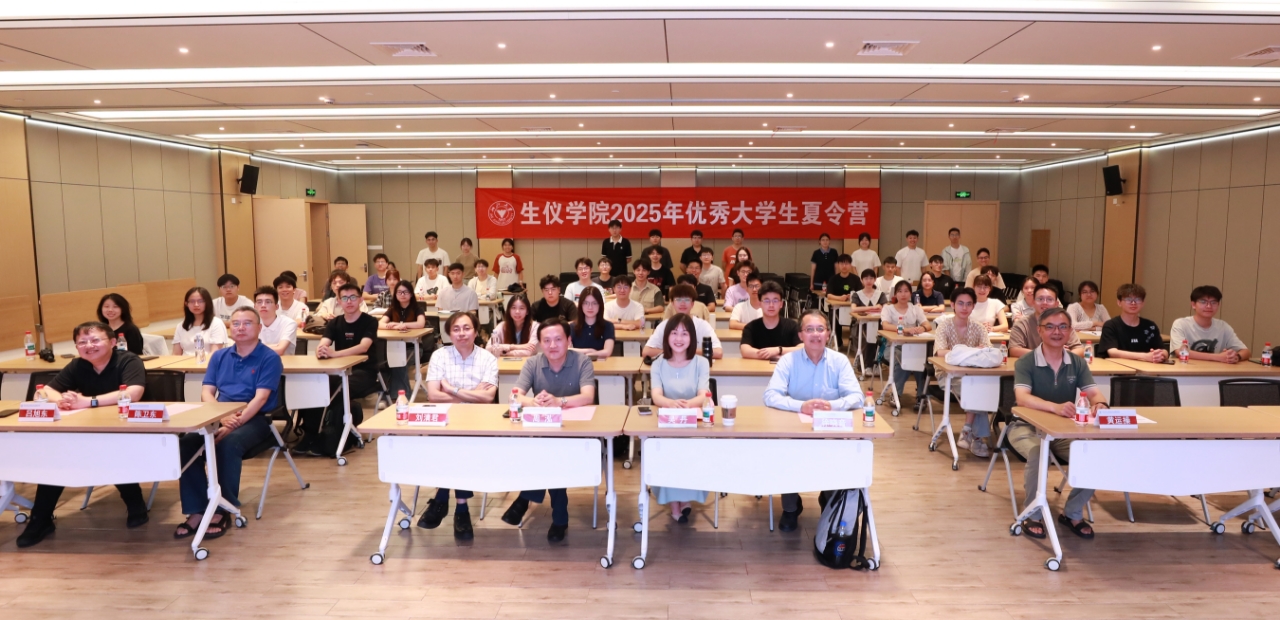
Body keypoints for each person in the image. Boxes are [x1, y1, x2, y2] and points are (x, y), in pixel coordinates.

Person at [15, 322, 149, 548]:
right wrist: (62, 400)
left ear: (113, 342)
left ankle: (135, 503)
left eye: (95, 340)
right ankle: (40, 519)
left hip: (132, 429)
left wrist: (88, 401)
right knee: (57, 455)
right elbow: (47, 390)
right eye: (82, 342)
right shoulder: (78, 365)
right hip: (93, 428)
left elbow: (134, 393)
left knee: (108, 448)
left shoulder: (128, 360)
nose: (89, 346)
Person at [172, 307, 283, 542]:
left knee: (226, 444)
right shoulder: (219, 356)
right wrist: (221, 417)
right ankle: (197, 509)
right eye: (236, 323)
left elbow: (260, 399)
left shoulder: (269, 357)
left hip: (255, 417)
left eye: (247, 323)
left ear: (259, 328)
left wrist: (232, 424)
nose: (240, 328)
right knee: (187, 444)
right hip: (221, 414)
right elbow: (207, 392)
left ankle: (223, 509)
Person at [1011, 307, 1107, 541]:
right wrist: (1054, 407)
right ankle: (1032, 514)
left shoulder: (1077, 362)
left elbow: (1093, 392)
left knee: (1094, 454)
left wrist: (1101, 404)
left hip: (1063, 429)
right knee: (1038, 453)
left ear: (1070, 331)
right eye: (1050, 327)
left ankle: (1072, 512)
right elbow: (1022, 398)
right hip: (1026, 426)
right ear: (1040, 330)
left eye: (1063, 327)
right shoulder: (1026, 362)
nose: (1057, 332)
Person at [763, 311, 864, 531]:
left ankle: (828, 497)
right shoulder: (788, 361)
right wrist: (801, 406)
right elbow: (770, 396)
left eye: (820, 329)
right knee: (786, 453)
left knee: (839, 453)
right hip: (794, 430)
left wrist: (832, 405)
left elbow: (857, 397)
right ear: (800, 335)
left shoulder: (839, 361)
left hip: (830, 430)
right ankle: (791, 508)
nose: (815, 334)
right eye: (809, 329)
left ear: (828, 334)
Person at [501, 318, 596, 542]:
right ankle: (559, 517)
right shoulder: (533, 363)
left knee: (550, 454)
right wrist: (533, 402)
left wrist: (559, 401)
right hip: (543, 432)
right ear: (540, 343)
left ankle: (525, 499)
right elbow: (515, 395)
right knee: (550, 454)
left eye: (558, 339)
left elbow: (588, 396)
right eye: (546, 340)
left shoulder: (582, 361)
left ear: (569, 341)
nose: (552, 345)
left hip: (575, 432)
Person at [420, 312, 499, 540]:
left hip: (478, 422)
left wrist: (452, 389)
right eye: (456, 329)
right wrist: (471, 394)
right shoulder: (439, 356)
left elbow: (488, 398)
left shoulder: (487, 359)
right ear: (449, 333)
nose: (461, 333)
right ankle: (460, 508)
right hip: (445, 420)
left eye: (466, 328)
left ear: (476, 331)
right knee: (452, 444)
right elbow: (433, 396)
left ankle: (442, 499)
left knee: (460, 445)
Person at [294, 282, 378, 457]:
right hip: (339, 371)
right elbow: (324, 342)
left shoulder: (369, 321)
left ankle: (328, 436)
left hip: (364, 372)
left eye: (353, 297)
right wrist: (321, 350)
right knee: (314, 386)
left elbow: (363, 347)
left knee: (335, 390)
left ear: (360, 300)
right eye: (344, 298)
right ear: (338, 301)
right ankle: (310, 434)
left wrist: (335, 354)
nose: (349, 301)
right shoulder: (335, 322)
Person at [648, 313, 712, 523]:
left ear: (692, 338)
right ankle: (674, 502)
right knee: (667, 450)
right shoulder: (658, 363)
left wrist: (687, 404)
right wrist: (670, 404)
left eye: (684, 334)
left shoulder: (701, 362)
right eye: (674, 333)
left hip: (693, 422)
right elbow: (656, 396)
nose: (679, 338)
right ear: (666, 336)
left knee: (692, 450)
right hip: (666, 422)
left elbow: (703, 394)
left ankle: (685, 498)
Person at [933, 288, 995, 458]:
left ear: (973, 306)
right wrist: (973, 351)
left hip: (975, 376)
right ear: (952, 304)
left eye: (969, 304)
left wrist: (961, 353)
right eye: (960, 303)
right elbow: (940, 352)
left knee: (981, 388)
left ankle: (969, 431)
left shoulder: (978, 327)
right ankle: (976, 438)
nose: (964, 308)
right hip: (948, 375)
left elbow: (988, 350)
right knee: (979, 392)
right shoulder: (944, 325)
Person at [882, 280, 933, 407]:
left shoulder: (915, 309)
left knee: (921, 361)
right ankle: (896, 394)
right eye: (900, 291)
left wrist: (922, 328)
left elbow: (927, 325)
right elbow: (885, 325)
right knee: (903, 361)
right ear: (895, 294)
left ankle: (921, 396)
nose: (903, 294)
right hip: (893, 347)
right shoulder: (888, 308)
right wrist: (904, 330)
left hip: (913, 346)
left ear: (910, 293)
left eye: (906, 291)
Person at [1169, 285, 1250, 363]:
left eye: (1213, 302)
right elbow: (1180, 352)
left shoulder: (1223, 326)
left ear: (1218, 305)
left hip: (1213, 371)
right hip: (1185, 369)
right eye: (1203, 302)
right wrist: (1219, 357)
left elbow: (1246, 351)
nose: (1209, 306)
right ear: (1193, 305)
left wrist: (1236, 357)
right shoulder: (1181, 324)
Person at [643, 284, 723, 359]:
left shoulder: (702, 325)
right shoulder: (664, 325)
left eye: (687, 300)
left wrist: (682, 352)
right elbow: (646, 352)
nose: (682, 303)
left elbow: (718, 352)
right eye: (678, 299)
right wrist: (676, 353)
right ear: (672, 303)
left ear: (692, 304)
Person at [1097, 284, 1168, 363]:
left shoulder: (1150, 326)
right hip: (1118, 368)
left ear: (1143, 303)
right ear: (1119, 302)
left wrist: (1160, 355)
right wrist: (1145, 356)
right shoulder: (1111, 325)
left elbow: (1163, 350)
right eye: (1128, 299)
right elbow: (1112, 352)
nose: (1133, 303)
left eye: (1138, 299)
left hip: (1146, 368)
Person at [1009, 283, 1084, 358]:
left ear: (1056, 304)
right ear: (1033, 302)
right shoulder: (1022, 324)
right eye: (1040, 299)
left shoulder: (1063, 323)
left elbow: (1079, 349)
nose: (1044, 303)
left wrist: (1064, 355)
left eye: (1049, 299)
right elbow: (1014, 350)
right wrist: (1046, 353)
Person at [379, 280, 427, 396]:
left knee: (398, 361)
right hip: (394, 347)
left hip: (413, 348)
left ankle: (402, 396)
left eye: (405, 292)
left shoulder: (417, 308)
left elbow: (420, 324)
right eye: (399, 292)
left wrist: (402, 324)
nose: (402, 295)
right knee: (383, 362)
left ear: (411, 294)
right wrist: (394, 326)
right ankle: (387, 396)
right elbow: (380, 324)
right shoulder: (392, 309)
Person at [740, 281, 802, 361]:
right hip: (758, 368)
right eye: (766, 301)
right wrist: (769, 354)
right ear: (760, 304)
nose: (771, 305)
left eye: (775, 301)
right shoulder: (751, 327)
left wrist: (778, 350)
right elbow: (745, 350)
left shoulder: (792, 326)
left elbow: (802, 348)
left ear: (781, 304)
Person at [173, 286, 228, 355]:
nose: (196, 305)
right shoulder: (181, 326)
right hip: (185, 361)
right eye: (192, 301)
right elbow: (176, 354)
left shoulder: (216, 323)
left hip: (207, 361)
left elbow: (215, 354)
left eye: (200, 301)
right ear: (186, 304)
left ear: (207, 303)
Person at [824, 256, 861, 351]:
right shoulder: (833, 279)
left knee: (858, 321)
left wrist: (851, 297)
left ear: (850, 265)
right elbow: (829, 295)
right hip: (837, 307)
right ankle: (838, 343)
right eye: (842, 263)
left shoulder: (856, 279)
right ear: (838, 265)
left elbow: (861, 294)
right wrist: (840, 298)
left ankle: (854, 343)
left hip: (852, 308)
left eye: (847, 263)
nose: (844, 266)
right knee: (834, 319)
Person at [569, 287, 615, 359]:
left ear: (600, 305)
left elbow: (607, 351)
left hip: (601, 364)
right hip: (579, 364)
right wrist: (589, 351)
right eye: (586, 303)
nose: (590, 307)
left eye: (594, 303)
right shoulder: (572, 326)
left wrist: (590, 354)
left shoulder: (608, 326)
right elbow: (567, 350)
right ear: (581, 305)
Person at [253, 286, 297, 355]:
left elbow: (280, 350)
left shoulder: (289, 323)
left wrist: (254, 347)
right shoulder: (252, 323)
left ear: (276, 306)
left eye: (268, 302)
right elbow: (243, 347)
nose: (263, 305)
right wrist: (275, 346)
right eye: (259, 302)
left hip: (283, 361)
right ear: (255, 307)